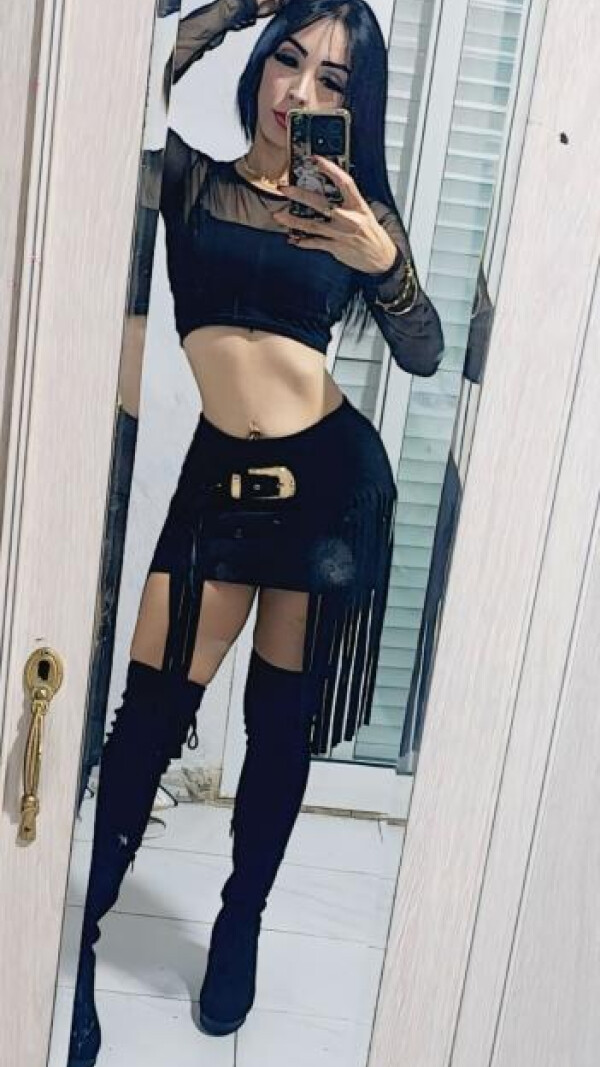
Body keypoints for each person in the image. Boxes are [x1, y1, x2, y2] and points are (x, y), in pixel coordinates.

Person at [67, 0, 444, 1061]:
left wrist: (382, 261)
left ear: (357, 105)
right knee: (147, 717)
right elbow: (120, 98)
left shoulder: (358, 213)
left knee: (279, 727)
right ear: (257, 62)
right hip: (219, 483)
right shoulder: (189, 180)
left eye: (333, 80)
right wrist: (236, 7)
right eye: (288, 60)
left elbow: (424, 350)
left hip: (329, 486)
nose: (301, 91)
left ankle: (241, 924)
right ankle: (80, 935)